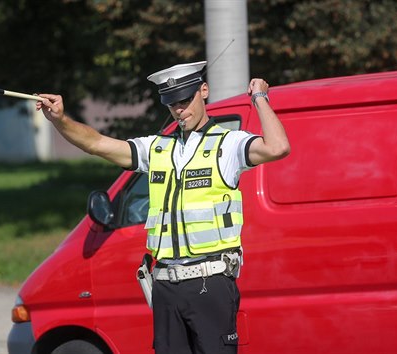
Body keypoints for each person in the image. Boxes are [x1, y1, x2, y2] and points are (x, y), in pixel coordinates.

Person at [36, 61, 290, 354]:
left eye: (185, 100)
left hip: (210, 283)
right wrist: (60, 120)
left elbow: (278, 147)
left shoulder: (228, 145)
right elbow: (96, 144)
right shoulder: (157, 147)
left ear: (203, 91)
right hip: (165, 286)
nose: (180, 110)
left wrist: (259, 98)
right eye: (172, 104)